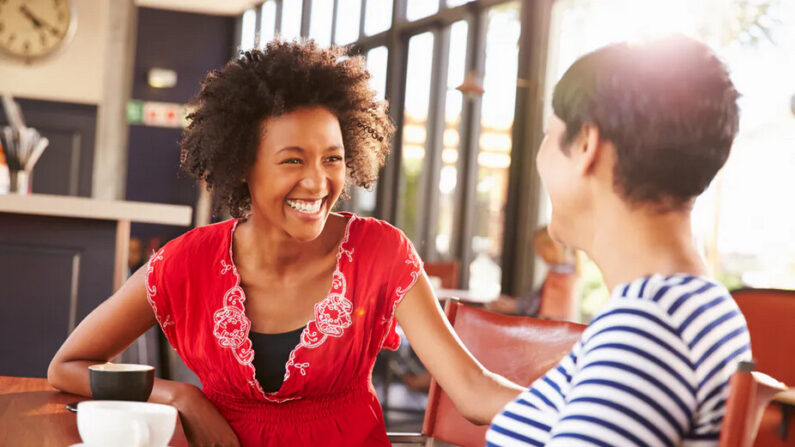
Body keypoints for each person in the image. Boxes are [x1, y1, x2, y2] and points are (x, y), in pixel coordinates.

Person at [48, 40, 523, 447]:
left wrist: (575, 407)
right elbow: (68, 365)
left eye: (332, 158)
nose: (317, 183)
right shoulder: (184, 262)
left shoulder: (382, 252)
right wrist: (179, 395)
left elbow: (472, 389)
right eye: (292, 161)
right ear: (242, 166)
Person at [487, 35, 751, 446]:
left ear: (587, 144)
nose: (540, 157)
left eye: (547, 134)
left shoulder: (649, 326)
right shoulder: (694, 306)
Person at [487, 225, 579, 320]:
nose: (538, 254)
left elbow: (538, 302)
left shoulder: (561, 273)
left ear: (551, 247)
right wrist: (514, 303)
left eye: (540, 249)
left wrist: (513, 306)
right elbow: (538, 296)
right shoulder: (563, 269)